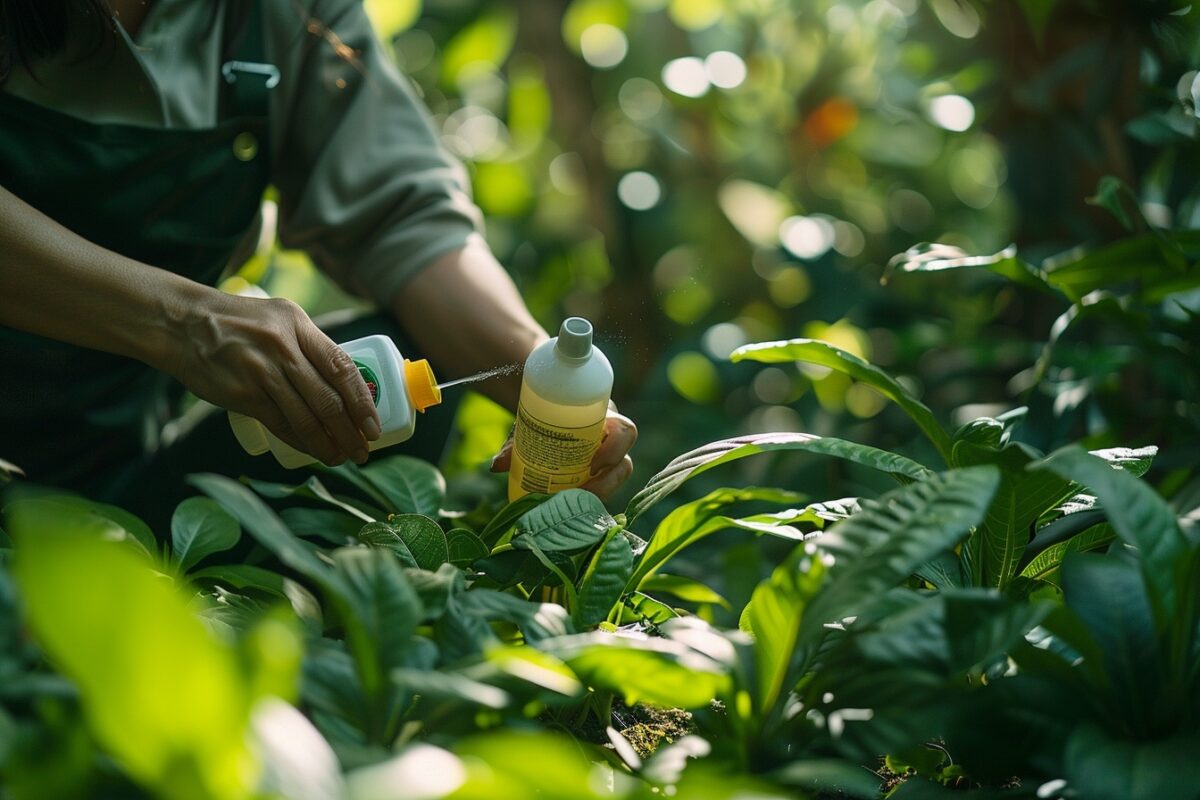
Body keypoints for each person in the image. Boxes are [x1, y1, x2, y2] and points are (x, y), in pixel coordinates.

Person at [0, 0, 637, 526]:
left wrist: (541, 376)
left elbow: (405, 217)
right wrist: (183, 323)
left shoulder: (280, 15)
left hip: (114, 468)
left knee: (402, 375)